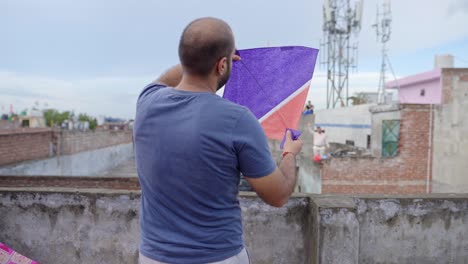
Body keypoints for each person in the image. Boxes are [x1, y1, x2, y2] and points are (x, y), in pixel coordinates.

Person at [133, 17, 303, 264]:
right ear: (222, 65)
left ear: (183, 59)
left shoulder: (146, 102)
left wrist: (204, 56)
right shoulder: (238, 119)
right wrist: (290, 153)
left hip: (153, 257)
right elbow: (277, 195)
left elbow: (164, 79)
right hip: (217, 257)